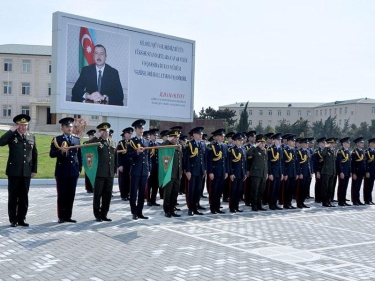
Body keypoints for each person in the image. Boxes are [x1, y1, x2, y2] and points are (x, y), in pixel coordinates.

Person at [0, 114, 37, 227]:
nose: (23, 127)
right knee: (13, 196)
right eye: (21, 125)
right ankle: (13, 219)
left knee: (24, 196)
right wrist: (11, 131)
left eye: (25, 125)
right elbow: (1, 142)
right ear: (17, 125)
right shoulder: (12, 136)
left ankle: (22, 219)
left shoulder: (31, 136)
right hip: (14, 171)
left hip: (26, 171)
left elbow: (34, 154)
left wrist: (34, 169)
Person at [49, 117, 82, 223]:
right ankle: (61, 216)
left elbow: (79, 156)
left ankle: (68, 216)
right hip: (62, 172)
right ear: (62, 128)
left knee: (71, 195)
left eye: (71, 126)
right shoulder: (57, 140)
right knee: (62, 195)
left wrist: (79, 169)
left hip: (73, 172)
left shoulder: (76, 139)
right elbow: (51, 154)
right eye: (67, 126)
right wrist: (61, 151)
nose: (70, 128)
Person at [87, 122, 117, 222]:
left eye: (107, 131)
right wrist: (96, 137)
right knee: (98, 195)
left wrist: (115, 169)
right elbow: (86, 146)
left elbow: (115, 157)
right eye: (103, 131)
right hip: (99, 173)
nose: (105, 133)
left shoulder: (112, 142)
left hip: (109, 173)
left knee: (107, 194)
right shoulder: (96, 142)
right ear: (99, 132)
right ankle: (97, 214)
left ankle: (104, 214)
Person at [127, 119, 151, 220]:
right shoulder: (132, 142)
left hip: (144, 171)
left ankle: (140, 212)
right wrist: (136, 152)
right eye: (139, 128)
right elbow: (128, 155)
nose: (141, 130)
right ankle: (134, 212)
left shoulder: (146, 141)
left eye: (142, 128)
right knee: (133, 192)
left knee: (142, 192)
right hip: (135, 170)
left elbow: (148, 157)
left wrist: (149, 169)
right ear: (135, 129)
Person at [184, 126, 206, 216]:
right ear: (194, 135)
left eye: (201, 134)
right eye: (199, 134)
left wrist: (205, 169)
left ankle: (196, 207)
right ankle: (191, 208)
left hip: (200, 170)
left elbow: (204, 158)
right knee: (191, 190)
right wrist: (188, 170)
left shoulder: (203, 144)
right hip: (192, 171)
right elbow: (186, 159)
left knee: (198, 190)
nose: (201, 135)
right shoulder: (189, 144)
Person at [206, 129, 228, 214]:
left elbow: (226, 160)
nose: (223, 137)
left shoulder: (224, 146)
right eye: (221, 136)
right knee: (213, 190)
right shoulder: (211, 146)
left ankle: (218, 207)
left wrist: (226, 171)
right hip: (214, 172)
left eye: (223, 136)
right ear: (216, 137)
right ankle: (212, 207)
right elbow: (210, 161)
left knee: (219, 191)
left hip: (222, 172)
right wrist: (210, 172)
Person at [162, 129, 183, 218]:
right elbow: (162, 146)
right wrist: (168, 140)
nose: (176, 139)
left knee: (175, 193)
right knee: (168, 193)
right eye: (174, 137)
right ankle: (167, 210)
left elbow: (180, 160)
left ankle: (172, 209)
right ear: (170, 137)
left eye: (177, 137)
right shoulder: (166, 145)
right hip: (169, 174)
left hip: (177, 174)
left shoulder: (178, 146)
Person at [247, 134, 268, 211]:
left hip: (263, 173)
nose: (262, 144)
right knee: (255, 190)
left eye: (263, 142)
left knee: (261, 191)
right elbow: (248, 153)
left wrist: (266, 173)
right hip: (256, 173)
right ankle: (254, 205)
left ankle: (259, 205)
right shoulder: (255, 150)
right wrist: (255, 145)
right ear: (257, 143)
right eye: (261, 142)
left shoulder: (265, 150)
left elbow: (266, 163)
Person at [228, 133, 247, 213]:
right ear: (235, 141)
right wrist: (231, 173)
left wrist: (244, 173)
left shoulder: (243, 149)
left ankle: (236, 206)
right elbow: (229, 163)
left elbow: (244, 162)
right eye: (239, 140)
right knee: (233, 191)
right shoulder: (232, 150)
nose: (241, 142)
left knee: (239, 191)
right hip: (235, 173)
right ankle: (232, 207)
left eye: (242, 140)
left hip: (241, 173)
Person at [267, 133, 284, 210]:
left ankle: (275, 203)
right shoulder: (270, 149)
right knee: (272, 189)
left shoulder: (280, 149)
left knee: (277, 189)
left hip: (278, 172)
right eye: (278, 140)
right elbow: (269, 162)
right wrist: (270, 173)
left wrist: (282, 173)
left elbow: (280, 162)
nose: (280, 141)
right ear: (274, 140)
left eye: (280, 140)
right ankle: (271, 204)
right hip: (273, 172)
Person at [282, 134, 299, 209]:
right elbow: (283, 163)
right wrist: (285, 173)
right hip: (287, 173)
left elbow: (296, 163)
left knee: (292, 189)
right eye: (292, 141)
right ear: (288, 142)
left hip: (293, 173)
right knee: (286, 189)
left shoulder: (294, 150)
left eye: (294, 141)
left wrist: (297, 173)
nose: (294, 142)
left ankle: (289, 203)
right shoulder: (285, 150)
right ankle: (286, 204)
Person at [117, 127, 133, 201]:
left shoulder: (132, 142)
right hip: (124, 165)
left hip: (131, 164)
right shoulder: (121, 143)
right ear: (125, 134)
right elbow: (118, 155)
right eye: (129, 133)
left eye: (131, 133)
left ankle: (129, 194)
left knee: (130, 181)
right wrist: (119, 165)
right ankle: (123, 195)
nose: (130, 134)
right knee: (123, 180)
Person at [321, 137, 338, 207]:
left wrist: (334, 171)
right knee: (325, 187)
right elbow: (322, 154)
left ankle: (328, 201)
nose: (333, 144)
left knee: (330, 188)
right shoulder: (326, 150)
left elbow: (333, 162)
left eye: (333, 143)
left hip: (331, 172)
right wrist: (325, 147)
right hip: (326, 172)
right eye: (331, 143)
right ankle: (324, 202)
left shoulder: (332, 151)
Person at [296, 138, 313, 208]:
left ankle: (302, 202)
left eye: (307, 143)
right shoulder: (299, 152)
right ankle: (299, 202)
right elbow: (298, 164)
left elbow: (309, 163)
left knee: (305, 189)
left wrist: (311, 171)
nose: (306, 144)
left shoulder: (307, 151)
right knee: (301, 188)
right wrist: (300, 173)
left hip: (307, 172)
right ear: (302, 144)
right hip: (302, 172)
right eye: (305, 143)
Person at [146, 129, 161, 206]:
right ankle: (148, 199)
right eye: (154, 135)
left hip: (156, 167)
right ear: (151, 136)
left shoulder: (158, 144)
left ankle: (153, 200)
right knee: (149, 185)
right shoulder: (148, 144)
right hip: (150, 168)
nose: (156, 137)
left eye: (156, 135)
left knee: (155, 185)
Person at [336, 137, 351, 206]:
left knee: (345, 186)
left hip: (347, 171)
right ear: (343, 143)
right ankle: (340, 201)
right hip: (342, 172)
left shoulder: (348, 151)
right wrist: (341, 172)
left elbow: (349, 163)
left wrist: (350, 171)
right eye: (347, 142)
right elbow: (339, 163)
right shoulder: (340, 152)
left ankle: (344, 200)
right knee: (341, 186)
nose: (349, 144)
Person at [351, 137, 366, 206]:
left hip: (361, 172)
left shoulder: (362, 152)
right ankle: (354, 200)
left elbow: (363, 163)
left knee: (359, 187)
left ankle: (358, 199)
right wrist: (353, 173)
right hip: (356, 172)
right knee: (355, 187)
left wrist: (364, 172)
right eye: (361, 143)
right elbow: (353, 164)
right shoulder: (354, 152)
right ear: (357, 144)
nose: (362, 144)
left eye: (363, 142)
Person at [364, 138, 375, 204]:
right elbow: (366, 162)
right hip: (369, 171)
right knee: (367, 186)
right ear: (371, 144)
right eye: (374, 143)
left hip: (373, 171)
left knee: (371, 186)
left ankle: (370, 199)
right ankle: (367, 199)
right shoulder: (367, 152)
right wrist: (367, 171)